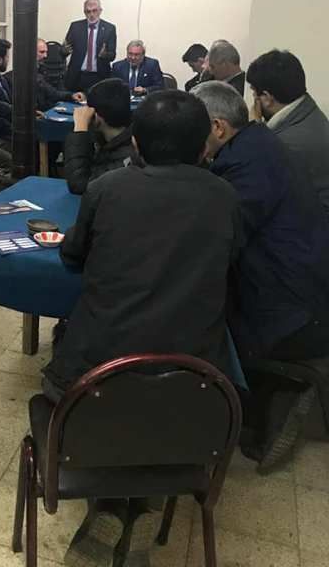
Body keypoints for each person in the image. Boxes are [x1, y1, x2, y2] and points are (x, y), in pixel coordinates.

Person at [44, 89, 241, 402]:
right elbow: (232, 260)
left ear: (135, 143)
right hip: (195, 380)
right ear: (205, 148)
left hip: (96, 374)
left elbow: (73, 255)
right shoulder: (226, 197)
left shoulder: (105, 188)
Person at [192, 80, 329, 471]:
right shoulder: (258, 143)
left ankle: (276, 400)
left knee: (195, 312)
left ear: (217, 128)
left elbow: (222, 240)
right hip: (306, 284)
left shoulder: (245, 167)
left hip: (294, 311)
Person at [246, 49, 329, 219]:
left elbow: (257, 187)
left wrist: (254, 129)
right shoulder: (309, 112)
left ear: (267, 97)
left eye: (254, 93)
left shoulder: (284, 142)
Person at [64, 78, 140, 195]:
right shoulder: (117, 138)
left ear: (96, 117)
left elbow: (79, 184)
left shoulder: (128, 154)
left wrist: (80, 128)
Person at [7, 39, 84, 112]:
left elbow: (53, 93)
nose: (45, 56)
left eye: (46, 52)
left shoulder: (39, 74)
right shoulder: (13, 78)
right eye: (42, 52)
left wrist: (72, 95)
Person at [63, 0, 117, 92]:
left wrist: (104, 55)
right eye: (88, 11)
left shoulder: (109, 28)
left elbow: (112, 56)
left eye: (94, 11)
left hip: (99, 76)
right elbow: (64, 50)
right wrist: (64, 51)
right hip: (77, 76)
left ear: (100, 11)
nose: (91, 14)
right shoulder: (75, 27)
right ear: (84, 12)